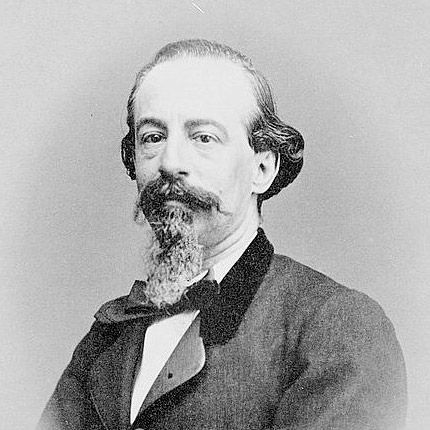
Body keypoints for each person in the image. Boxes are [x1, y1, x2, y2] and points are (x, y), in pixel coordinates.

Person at [37, 39, 407, 430]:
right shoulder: (108, 337)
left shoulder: (337, 327)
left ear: (262, 169)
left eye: (203, 137)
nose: (170, 162)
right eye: (153, 137)